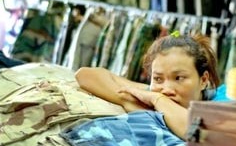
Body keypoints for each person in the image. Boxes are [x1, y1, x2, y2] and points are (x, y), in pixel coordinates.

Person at [75, 32, 222, 138]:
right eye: (158, 78)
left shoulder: (224, 100)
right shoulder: (152, 93)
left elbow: (199, 133)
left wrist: (158, 100)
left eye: (178, 78)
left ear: (203, 80)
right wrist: (127, 99)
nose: (167, 89)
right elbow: (85, 75)